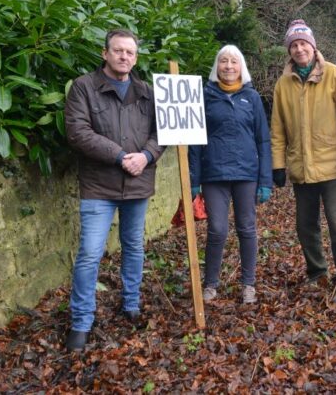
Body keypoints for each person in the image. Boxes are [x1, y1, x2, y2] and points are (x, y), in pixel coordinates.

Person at [63, 29, 165, 352]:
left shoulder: (146, 91)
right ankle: (81, 322)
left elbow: (162, 130)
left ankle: (130, 303)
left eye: (130, 53)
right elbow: (78, 132)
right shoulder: (84, 87)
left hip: (138, 183)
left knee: (134, 246)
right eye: (118, 51)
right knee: (91, 253)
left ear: (136, 57)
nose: (124, 57)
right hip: (98, 185)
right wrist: (121, 157)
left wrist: (147, 156)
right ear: (105, 53)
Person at [270, 19, 336, 305]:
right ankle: (317, 272)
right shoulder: (283, 85)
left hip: (334, 167)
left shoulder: (334, 76)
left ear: (313, 46)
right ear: (290, 50)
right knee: (305, 226)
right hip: (302, 169)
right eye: (294, 45)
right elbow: (277, 129)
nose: (299, 49)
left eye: (303, 44)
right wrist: (278, 165)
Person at [188, 45, 272, 304]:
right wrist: (193, 181)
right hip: (214, 174)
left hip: (247, 173)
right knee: (217, 230)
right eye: (223, 61)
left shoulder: (252, 97)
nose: (228, 66)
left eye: (233, 61)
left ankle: (248, 284)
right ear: (217, 67)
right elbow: (194, 140)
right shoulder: (204, 96)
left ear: (241, 67)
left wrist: (265, 180)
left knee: (247, 228)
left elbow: (263, 140)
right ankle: (211, 284)